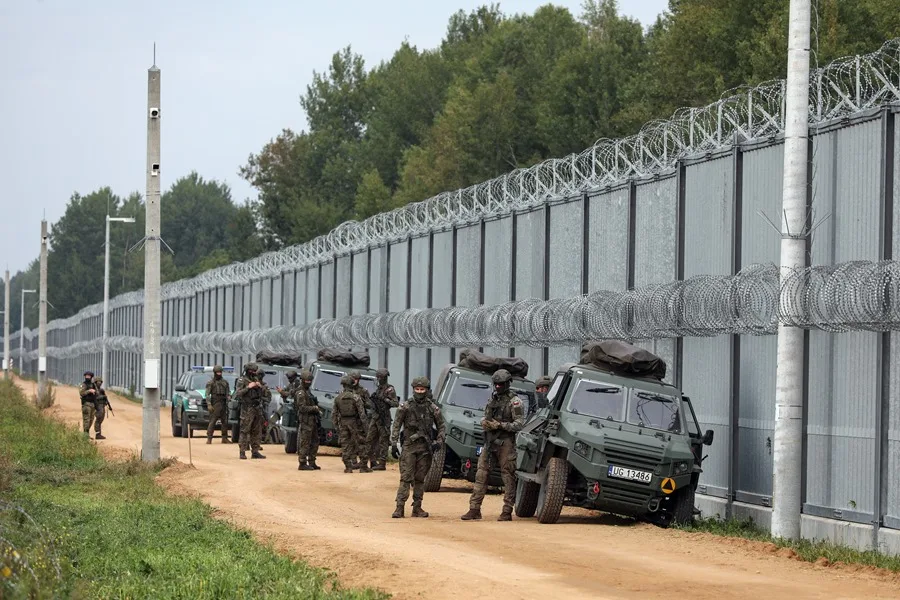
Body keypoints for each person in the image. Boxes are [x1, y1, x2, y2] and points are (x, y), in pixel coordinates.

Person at [460, 369, 525, 522]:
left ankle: (507, 511)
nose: (497, 387)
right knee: (481, 474)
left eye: (500, 384)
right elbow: (486, 416)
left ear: (507, 384)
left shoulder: (515, 402)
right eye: (495, 384)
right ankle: (474, 509)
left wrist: (500, 425)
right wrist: (485, 422)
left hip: (506, 443)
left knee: (507, 476)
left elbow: (519, 424)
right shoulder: (492, 400)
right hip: (490, 442)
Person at [390, 376, 445, 518]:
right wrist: (394, 443)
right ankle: (399, 507)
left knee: (420, 479)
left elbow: (441, 426)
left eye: (422, 389)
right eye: (417, 389)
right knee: (406, 477)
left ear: (427, 390)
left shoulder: (432, 408)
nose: (419, 392)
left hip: (425, 448)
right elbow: (396, 425)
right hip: (409, 446)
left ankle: (417, 507)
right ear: (413, 389)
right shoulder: (405, 407)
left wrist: (439, 441)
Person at [332, 374, 369, 473]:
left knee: (345, 445)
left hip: (343, 423)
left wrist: (337, 428)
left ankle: (348, 467)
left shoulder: (338, 398)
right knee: (361, 443)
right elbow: (362, 414)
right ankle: (363, 467)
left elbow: (334, 415)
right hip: (354, 423)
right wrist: (366, 428)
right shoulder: (356, 397)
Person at [365, 368, 399, 470]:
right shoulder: (378, 389)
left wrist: (385, 400)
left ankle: (382, 463)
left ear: (384, 378)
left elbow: (395, 403)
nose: (378, 379)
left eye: (380, 377)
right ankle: (372, 461)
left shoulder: (390, 389)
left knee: (383, 441)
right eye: (378, 377)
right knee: (370, 439)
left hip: (384, 418)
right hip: (375, 417)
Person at [235, 363, 266, 460]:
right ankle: (242, 451)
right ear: (248, 371)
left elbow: (263, 392)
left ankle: (255, 451)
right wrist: (248, 387)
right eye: (252, 371)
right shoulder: (242, 380)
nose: (253, 373)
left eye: (255, 371)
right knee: (244, 430)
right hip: (247, 409)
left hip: (257, 407)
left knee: (257, 431)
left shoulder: (256, 379)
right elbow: (238, 393)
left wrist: (260, 386)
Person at [294, 369, 322, 471]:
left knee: (315, 441)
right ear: (302, 380)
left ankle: (312, 462)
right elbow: (302, 408)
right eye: (307, 381)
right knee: (305, 442)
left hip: (312, 421)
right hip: (306, 421)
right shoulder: (301, 393)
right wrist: (314, 408)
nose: (309, 382)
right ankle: (302, 463)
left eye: (310, 381)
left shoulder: (307, 391)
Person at [205, 365, 232, 444]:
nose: (219, 374)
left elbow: (228, 392)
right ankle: (209, 438)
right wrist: (209, 404)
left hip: (224, 402)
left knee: (225, 421)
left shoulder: (225, 382)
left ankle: (224, 438)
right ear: (214, 373)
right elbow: (207, 394)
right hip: (215, 403)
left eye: (220, 372)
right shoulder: (211, 383)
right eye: (217, 372)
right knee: (213, 421)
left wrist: (229, 396)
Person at [79, 370, 99, 438]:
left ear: (91, 377)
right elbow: (81, 393)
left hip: (92, 404)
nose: (87, 377)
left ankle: (87, 433)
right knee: (86, 420)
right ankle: (85, 435)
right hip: (86, 404)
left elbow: (97, 393)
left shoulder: (93, 384)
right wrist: (89, 391)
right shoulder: (83, 384)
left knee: (91, 419)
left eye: (89, 376)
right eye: (86, 376)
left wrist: (95, 391)